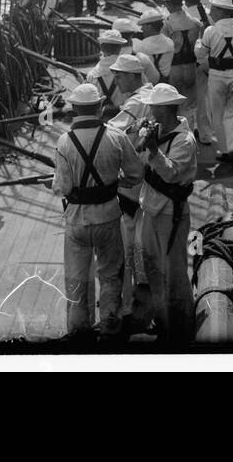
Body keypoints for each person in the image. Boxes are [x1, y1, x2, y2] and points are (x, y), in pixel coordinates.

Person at [52, 82, 143, 341]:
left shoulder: (64, 142)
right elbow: (136, 172)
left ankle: (80, 329)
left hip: (77, 220)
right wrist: (117, 182)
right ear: (100, 107)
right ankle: (110, 324)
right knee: (111, 273)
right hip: (108, 216)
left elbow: (62, 186)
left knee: (77, 276)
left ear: (75, 108)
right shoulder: (116, 136)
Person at [132, 83, 197, 343]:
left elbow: (170, 173)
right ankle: (163, 322)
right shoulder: (156, 131)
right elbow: (139, 159)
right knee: (153, 268)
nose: (149, 110)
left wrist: (153, 150)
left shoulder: (184, 140)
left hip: (171, 214)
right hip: (150, 208)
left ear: (165, 109)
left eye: (154, 106)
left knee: (175, 270)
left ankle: (182, 326)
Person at [106, 84, 153, 324]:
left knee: (125, 237)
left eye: (120, 75)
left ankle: (122, 301)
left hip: (127, 183)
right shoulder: (149, 96)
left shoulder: (133, 104)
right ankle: (142, 279)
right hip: (145, 176)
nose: (116, 78)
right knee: (140, 231)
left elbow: (114, 130)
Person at [195, 0, 233, 176]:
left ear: (219, 11)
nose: (211, 13)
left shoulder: (210, 31)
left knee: (217, 114)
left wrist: (200, 39)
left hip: (216, 75)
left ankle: (225, 151)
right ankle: (232, 151)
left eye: (213, 10)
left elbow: (200, 54)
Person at [160, 0, 201, 108]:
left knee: (174, 103)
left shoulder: (166, 24)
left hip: (174, 67)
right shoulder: (194, 21)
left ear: (167, 4)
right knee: (190, 104)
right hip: (191, 66)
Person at [86, 29, 126, 114]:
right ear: (120, 47)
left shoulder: (92, 75)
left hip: (100, 116)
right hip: (124, 115)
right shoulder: (129, 69)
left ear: (102, 47)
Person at [133, 8, 175, 83]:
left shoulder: (140, 46)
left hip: (148, 84)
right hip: (166, 82)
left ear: (150, 27)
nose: (142, 29)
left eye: (143, 26)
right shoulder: (170, 42)